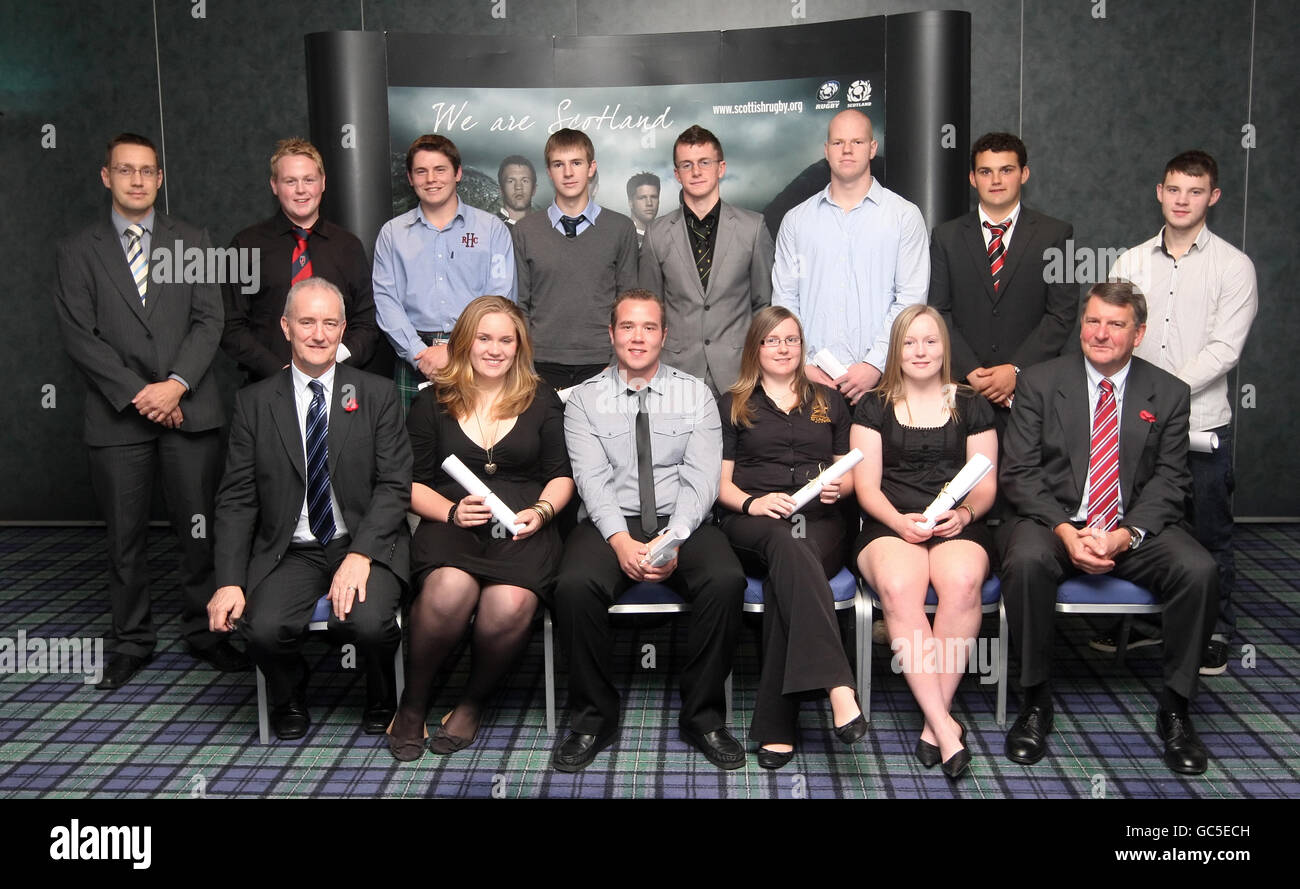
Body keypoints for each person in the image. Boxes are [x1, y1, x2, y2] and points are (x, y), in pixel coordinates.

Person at [53, 132, 247, 690]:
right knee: (124, 537)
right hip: (118, 416)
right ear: (106, 176)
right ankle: (132, 640)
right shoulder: (78, 249)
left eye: (147, 171)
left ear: (160, 179)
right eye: (125, 170)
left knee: (200, 531)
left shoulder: (192, 240)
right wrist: (146, 395)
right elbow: (79, 336)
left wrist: (176, 385)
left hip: (190, 408)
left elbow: (210, 321)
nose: (137, 180)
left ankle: (207, 633)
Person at [999, 282, 1217, 775]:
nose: (1100, 333)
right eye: (1092, 321)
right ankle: (1034, 701)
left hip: (1133, 526)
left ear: (1138, 333)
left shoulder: (1168, 392)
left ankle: (1176, 709)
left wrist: (1126, 535)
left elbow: (1171, 480)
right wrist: (1064, 531)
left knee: (1199, 569)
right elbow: (1019, 472)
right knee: (1027, 561)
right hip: (1054, 519)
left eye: (1115, 324)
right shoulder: (1038, 381)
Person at [206, 278, 412, 739]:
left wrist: (361, 555)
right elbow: (237, 499)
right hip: (291, 548)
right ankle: (290, 690)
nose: (319, 334)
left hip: (361, 541)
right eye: (307, 322)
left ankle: (382, 694)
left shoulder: (376, 395)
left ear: (343, 329)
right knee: (260, 629)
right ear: (285, 327)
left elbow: (395, 486)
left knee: (372, 624)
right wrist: (230, 582)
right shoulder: (254, 403)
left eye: (330, 323)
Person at [551, 289, 746, 772]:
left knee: (725, 581)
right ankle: (594, 717)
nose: (638, 337)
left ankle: (702, 717)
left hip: (682, 517)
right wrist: (621, 542)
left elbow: (702, 479)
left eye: (649, 327)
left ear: (664, 335)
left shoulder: (695, 393)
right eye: (628, 327)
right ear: (611, 334)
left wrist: (673, 538)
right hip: (608, 520)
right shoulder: (584, 400)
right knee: (574, 587)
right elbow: (591, 481)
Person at [388, 295, 574, 760]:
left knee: (509, 603)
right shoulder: (433, 401)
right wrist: (450, 513)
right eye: (484, 338)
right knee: (450, 589)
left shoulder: (542, 397)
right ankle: (413, 704)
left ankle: (472, 702)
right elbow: (409, 482)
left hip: (523, 526)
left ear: (519, 346)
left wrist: (544, 511)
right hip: (453, 521)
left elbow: (562, 474)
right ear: (465, 342)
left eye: (505, 340)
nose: (494, 349)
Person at [1102, 150, 1257, 676]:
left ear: (1212, 197)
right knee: (1144, 524)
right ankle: (1144, 623)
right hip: (1134, 427)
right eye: (1174, 190)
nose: (1182, 200)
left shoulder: (1234, 267)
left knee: (1210, 531)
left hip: (1200, 423)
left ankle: (1215, 631)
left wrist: (1161, 393)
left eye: (1195, 191)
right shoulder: (1130, 263)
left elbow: (1224, 350)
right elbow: (1115, 337)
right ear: (1160, 192)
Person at [852, 305, 997, 779]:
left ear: (944, 347)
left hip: (956, 522)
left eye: (930, 341)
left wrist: (964, 514)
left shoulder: (973, 403)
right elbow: (866, 488)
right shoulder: (871, 405)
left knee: (962, 581)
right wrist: (900, 522)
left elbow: (986, 485)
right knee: (897, 587)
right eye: (910, 342)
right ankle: (943, 724)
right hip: (890, 521)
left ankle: (936, 724)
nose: (920, 351)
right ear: (897, 349)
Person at [717, 307, 864, 769]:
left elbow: (852, 471)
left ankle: (777, 727)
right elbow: (718, 485)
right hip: (754, 518)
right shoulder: (733, 403)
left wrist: (845, 487)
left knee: (791, 569)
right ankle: (840, 687)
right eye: (772, 340)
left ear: (802, 347)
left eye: (792, 340)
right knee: (787, 548)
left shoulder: (829, 400)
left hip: (822, 519)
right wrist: (751, 503)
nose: (783, 348)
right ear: (755, 349)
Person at [772, 109, 929, 405]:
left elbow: (911, 300)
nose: (846, 150)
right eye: (838, 142)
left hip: (883, 385)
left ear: (872, 148)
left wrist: (874, 365)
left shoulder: (904, 217)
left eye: (857, 142)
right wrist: (802, 363)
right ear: (826, 150)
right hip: (811, 383)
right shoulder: (796, 221)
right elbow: (785, 300)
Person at [928, 132, 1076, 423]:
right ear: (973, 178)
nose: (995, 180)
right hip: (963, 392)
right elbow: (938, 311)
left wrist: (1016, 369)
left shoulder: (1057, 235)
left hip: (1031, 395)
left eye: (1006, 170)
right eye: (986, 172)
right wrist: (970, 370)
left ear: (1024, 174)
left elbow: (1062, 313)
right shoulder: (946, 237)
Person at [373, 134, 516, 408]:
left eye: (440, 169)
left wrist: (456, 350)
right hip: (414, 359)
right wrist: (419, 354)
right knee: (413, 450)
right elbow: (385, 301)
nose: (431, 179)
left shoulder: (492, 230)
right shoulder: (392, 235)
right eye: (421, 171)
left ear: (458, 173)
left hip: (478, 355)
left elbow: (500, 299)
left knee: (480, 446)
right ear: (410, 178)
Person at [222, 138, 380, 382]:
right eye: (290, 181)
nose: (301, 190)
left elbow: (366, 323)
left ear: (323, 183)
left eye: (309, 180)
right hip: (267, 386)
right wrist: (281, 373)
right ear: (274, 185)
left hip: (338, 386)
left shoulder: (348, 246)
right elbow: (231, 326)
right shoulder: (246, 245)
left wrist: (331, 362)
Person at [639, 125, 775, 397]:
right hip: (676, 372)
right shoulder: (657, 234)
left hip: (739, 374)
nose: (696, 171)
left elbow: (763, 304)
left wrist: (759, 364)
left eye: (704, 162)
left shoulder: (753, 227)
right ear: (676, 174)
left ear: (721, 168)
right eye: (686, 165)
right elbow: (650, 310)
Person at [512, 128, 639, 390]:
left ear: (591, 168)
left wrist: (617, 361)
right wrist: (526, 363)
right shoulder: (526, 230)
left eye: (576, 163)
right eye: (559, 164)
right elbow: (519, 305)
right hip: (541, 364)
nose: (568, 173)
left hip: (603, 363)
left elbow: (628, 303)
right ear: (549, 172)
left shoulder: (620, 228)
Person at [497, 155, 538, 226]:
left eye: (525, 181)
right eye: (511, 181)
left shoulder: (549, 230)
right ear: (501, 190)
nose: (518, 187)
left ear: (534, 189)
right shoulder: (488, 229)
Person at [626, 170, 660, 246]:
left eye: (654, 197)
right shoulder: (623, 237)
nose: (649, 203)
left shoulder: (667, 236)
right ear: (630, 202)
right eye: (642, 198)